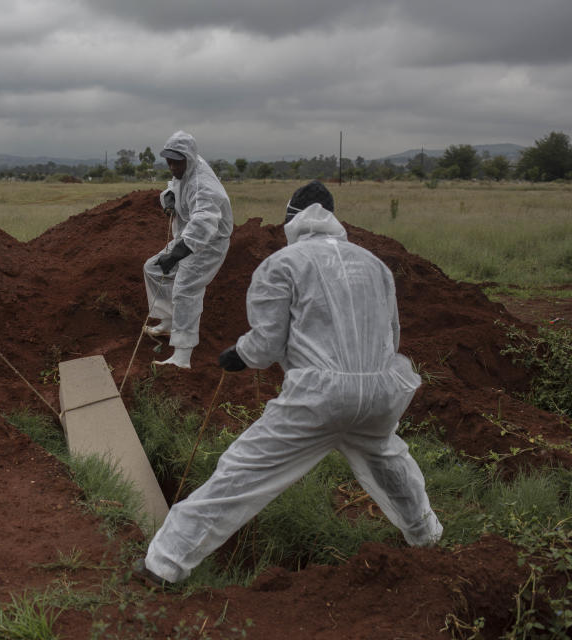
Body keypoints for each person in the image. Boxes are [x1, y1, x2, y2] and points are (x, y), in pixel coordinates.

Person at [135, 180, 442, 586]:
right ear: (333, 219)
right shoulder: (374, 265)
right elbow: (392, 336)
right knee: (390, 462)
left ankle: (163, 563)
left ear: (292, 221)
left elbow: (265, 345)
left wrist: (238, 355)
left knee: (241, 473)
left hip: (319, 398)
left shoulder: (283, 264)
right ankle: (427, 538)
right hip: (382, 392)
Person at [143, 131, 233, 369]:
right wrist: (170, 198)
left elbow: (204, 222)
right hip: (187, 238)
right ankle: (169, 320)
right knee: (152, 268)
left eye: (176, 161)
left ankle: (182, 356)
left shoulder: (204, 185)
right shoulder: (185, 168)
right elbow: (174, 185)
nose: (172, 166)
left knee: (185, 290)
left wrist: (175, 255)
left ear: (189, 158)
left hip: (209, 243)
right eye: (168, 161)